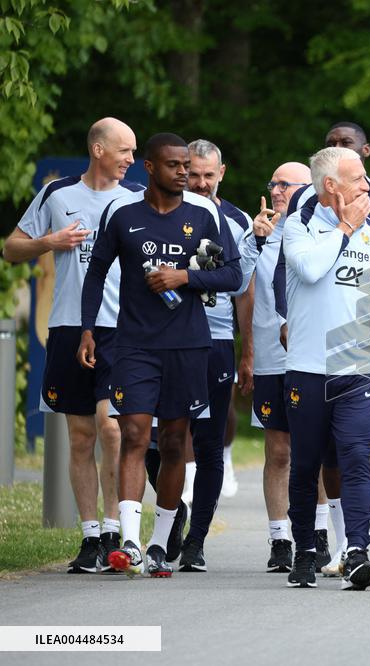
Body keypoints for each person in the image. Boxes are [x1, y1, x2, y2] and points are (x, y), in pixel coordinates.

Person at [78, 133, 242, 577]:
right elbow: (95, 273)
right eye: (174, 165)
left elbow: (232, 274)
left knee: (173, 443)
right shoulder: (122, 212)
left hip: (188, 345)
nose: (184, 173)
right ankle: (129, 543)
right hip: (133, 345)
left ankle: (157, 545)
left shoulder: (204, 213)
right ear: (149, 167)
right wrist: (89, 329)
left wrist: (184, 277)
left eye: (186, 165)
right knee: (132, 434)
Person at [3, 118, 141, 573]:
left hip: (119, 330)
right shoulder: (57, 194)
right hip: (67, 327)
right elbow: (11, 248)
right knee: (80, 436)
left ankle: (116, 527)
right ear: (98, 149)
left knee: (112, 428)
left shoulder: (135, 199)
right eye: (124, 151)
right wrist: (49, 241)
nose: (131, 160)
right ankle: (90, 539)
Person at [276, 121, 370, 575]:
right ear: (331, 186)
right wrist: (345, 229)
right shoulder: (299, 226)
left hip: (360, 369)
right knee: (306, 465)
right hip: (309, 369)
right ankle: (304, 551)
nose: (366, 186)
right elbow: (311, 271)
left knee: (355, 459)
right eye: (357, 180)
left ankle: (357, 551)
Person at [243, 162, 310, 572]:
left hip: (314, 356)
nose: (278, 189)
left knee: (315, 448)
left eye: (286, 184)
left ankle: (316, 534)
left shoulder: (318, 228)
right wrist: (255, 241)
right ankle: (279, 538)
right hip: (272, 356)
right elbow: (235, 286)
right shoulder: (258, 231)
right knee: (279, 450)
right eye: (274, 183)